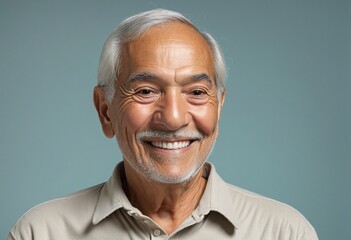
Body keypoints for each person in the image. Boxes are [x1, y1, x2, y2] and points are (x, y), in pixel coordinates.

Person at [8, 9, 318, 240]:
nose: (172, 118)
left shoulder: (284, 231)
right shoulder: (42, 232)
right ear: (105, 111)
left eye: (196, 93)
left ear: (219, 107)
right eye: (145, 91)